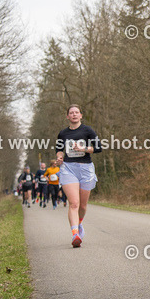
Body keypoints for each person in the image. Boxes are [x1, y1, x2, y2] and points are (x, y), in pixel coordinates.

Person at [53, 105, 102, 248]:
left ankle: (79, 223)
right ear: (67, 116)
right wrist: (59, 158)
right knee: (74, 203)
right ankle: (75, 234)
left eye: (76, 112)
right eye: (71, 113)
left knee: (83, 205)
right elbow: (59, 150)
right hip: (68, 168)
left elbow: (98, 148)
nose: (74, 115)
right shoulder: (63, 133)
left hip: (86, 168)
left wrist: (84, 149)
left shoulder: (88, 130)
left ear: (81, 115)